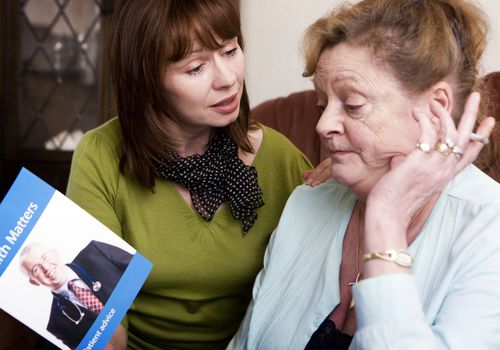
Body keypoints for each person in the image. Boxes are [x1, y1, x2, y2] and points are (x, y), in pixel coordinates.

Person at [227, 0, 500, 349]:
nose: (322, 126)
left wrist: (385, 219)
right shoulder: (306, 204)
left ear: (437, 110)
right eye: (322, 105)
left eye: (353, 105)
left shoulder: (489, 233)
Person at [63, 0, 330, 349]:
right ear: (147, 80)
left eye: (230, 51)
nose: (228, 78)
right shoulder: (99, 155)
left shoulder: (279, 158)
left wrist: (341, 197)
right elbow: (101, 319)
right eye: (196, 68)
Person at [19, 240, 133, 349]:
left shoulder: (95, 251)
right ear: (34, 282)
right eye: (36, 269)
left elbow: (140, 270)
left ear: (55, 253)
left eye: (45, 258)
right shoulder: (56, 325)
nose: (45, 268)